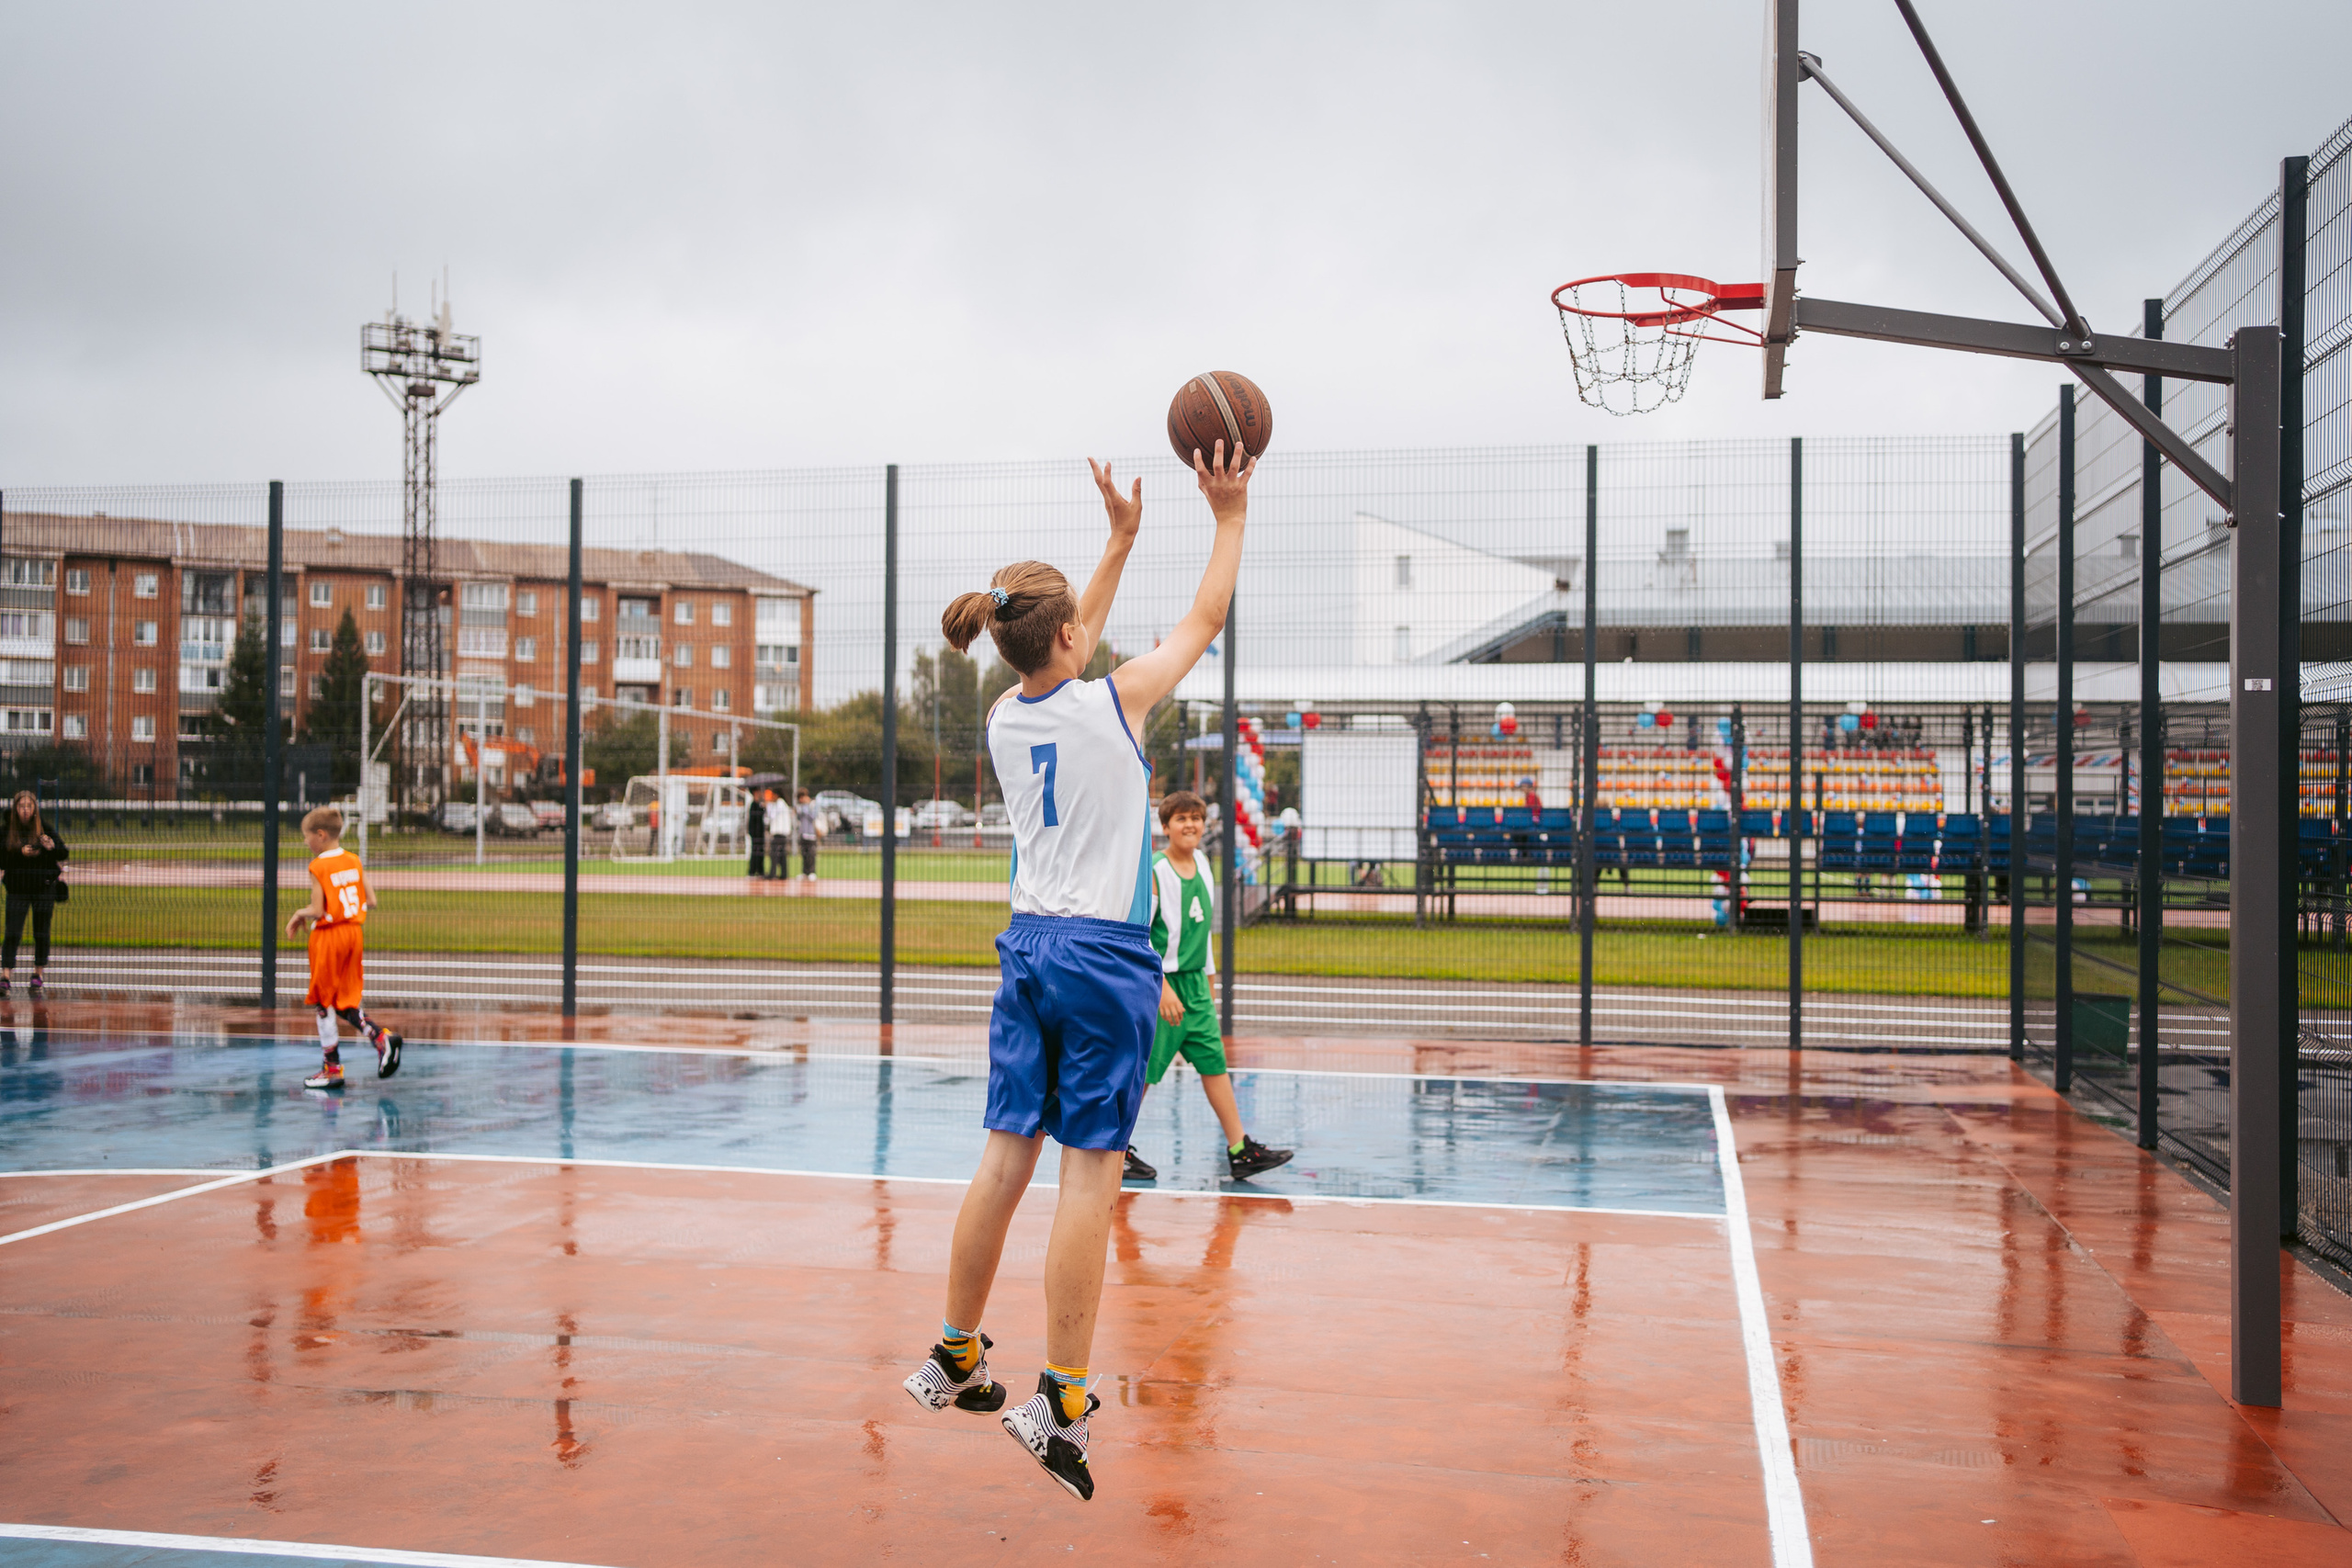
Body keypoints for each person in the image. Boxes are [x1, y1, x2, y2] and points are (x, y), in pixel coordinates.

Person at [901, 441, 1252, 1503]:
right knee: (1089, 1174)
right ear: (1066, 636)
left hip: (1026, 950)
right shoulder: (1116, 702)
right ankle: (1058, 1401)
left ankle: (954, 1353)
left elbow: (1065, 637)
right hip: (1102, 956)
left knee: (1005, 1157)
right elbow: (1204, 621)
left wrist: (1117, 541)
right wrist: (1227, 513)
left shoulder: (1009, 717)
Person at [1121, 790, 1292, 1185]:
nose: (1190, 825)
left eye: (1196, 818)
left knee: (1215, 1067)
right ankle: (1116, 1145)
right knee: (1144, 1074)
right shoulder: (1156, 871)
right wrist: (1161, 987)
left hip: (1196, 986)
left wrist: (1210, 989)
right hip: (1163, 987)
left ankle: (1240, 1150)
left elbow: (1204, 933)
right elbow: (1140, 938)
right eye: (1181, 819)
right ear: (1165, 827)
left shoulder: (1202, 863)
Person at [284, 805, 401, 1091]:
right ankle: (380, 1038)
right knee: (345, 1000)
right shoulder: (353, 860)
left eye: (306, 836)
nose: (305, 842)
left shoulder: (318, 866)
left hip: (330, 936)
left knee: (323, 1003)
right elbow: (370, 900)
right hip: (353, 934)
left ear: (320, 835)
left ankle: (332, 1068)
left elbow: (317, 908)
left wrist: (300, 914)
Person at [1, 791, 67, 997]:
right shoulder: (6, 831)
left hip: (43, 889)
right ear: (15, 809)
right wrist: (19, 852)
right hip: (18, 889)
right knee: (12, 933)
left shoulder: (44, 828)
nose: (25, 810)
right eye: (21, 806)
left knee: (41, 932)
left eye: (29, 806)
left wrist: (51, 846)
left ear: (35, 809)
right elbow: (1, 859)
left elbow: (63, 853)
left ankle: (38, 974)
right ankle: (5, 976)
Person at [793, 788, 822, 883]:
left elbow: (813, 816)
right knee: (804, 854)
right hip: (803, 833)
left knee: (811, 854)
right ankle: (805, 872)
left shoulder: (812, 805)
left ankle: (812, 872)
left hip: (811, 833)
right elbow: (798, 818)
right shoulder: (801, 806)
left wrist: (805, 808)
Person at [747, 787, 771, 879]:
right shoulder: (754, 804)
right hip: (755, 833)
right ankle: (752, 871)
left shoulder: (759, 804)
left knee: (760, 852)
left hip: (760, 832)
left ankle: (760, 871)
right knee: (755, 852)